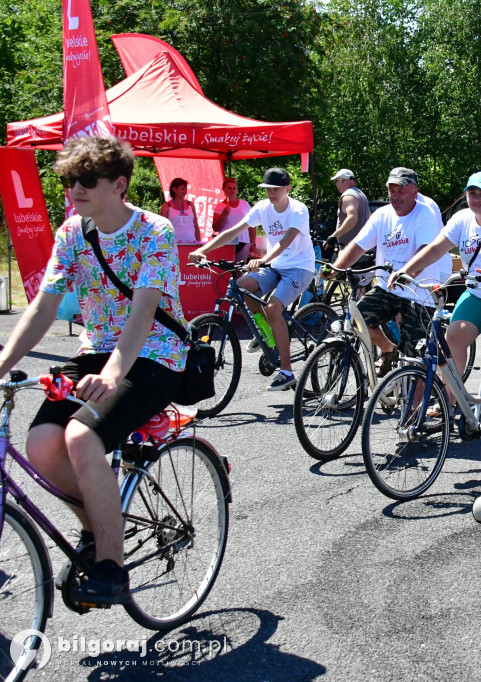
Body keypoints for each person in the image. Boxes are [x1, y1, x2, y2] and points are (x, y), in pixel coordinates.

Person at [0, 136, 188, 604]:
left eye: (87, 180)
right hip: (98, 351)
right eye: (69, 180)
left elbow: (145, 313)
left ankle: (112, 565)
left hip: (155, 355)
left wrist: (112, 373)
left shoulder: (155, 230)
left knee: (81, 437)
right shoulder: (71, 234)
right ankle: (101, 527)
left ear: (120, 184)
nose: (75, 189)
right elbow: (42, 310)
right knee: (42, 444)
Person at [389, 171, 481, 445]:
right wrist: (406, 271)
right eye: (472, 193)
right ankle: (451, 403)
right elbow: (435, 248)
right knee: (452, 338)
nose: (477, 199)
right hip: (479, 294)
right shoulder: (461, 219)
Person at [189, 167, 316, 391]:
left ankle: (286, 372)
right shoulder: (262, 208)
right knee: (242, 286)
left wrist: (263, 258)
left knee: (274, 307)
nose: (271, 193)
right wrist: (204, 250)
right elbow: (233, 230)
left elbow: (284, 241)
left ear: (288, 188)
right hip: (274, 265)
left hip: (299, 267)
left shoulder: (298, 210)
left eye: (277, 189)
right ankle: (266, 331)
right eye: (268, 188)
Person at [328, 167, 441, 377]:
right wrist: (335, 268)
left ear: (415, 191)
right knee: (356, 319)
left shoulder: (425, 215)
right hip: (386, 288)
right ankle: (388, 349)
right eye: (392, 190)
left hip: (417, 293)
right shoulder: (382, 215)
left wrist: (407, 273)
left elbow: (424, 250)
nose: (395, 195)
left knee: (414, 358)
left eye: (401, 190)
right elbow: (358, 245)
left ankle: (415, 408)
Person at [324, 168, 370, 260]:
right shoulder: (361, 194)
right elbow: (370, 217)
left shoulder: (348, 196)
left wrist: (334, 236)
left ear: (342, 181)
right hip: (364, 249)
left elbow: (352, 219)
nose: (336, 184)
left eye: (336, 181)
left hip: (350, 252)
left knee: (328, 273)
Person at [211, 177, 254, 260]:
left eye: (234, 188)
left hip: (243, 241)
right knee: (226, 270)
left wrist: (253, 244)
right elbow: (216, 228)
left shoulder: (245, 204)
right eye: (229, 188)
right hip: (226, 242)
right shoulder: (219, 207)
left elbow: (252, 225)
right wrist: (224, 214)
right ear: (223, 189)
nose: (232, 190)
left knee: (239, 270)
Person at [159, 177, 201, 243]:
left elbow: (195, 225)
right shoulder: (166, 206)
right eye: (182, 189)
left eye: (186, 189)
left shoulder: (190, 205)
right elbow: (161, 228)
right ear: (174, 189)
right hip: (174, 244)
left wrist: (199, 242)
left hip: (191, 242)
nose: (185, 191)